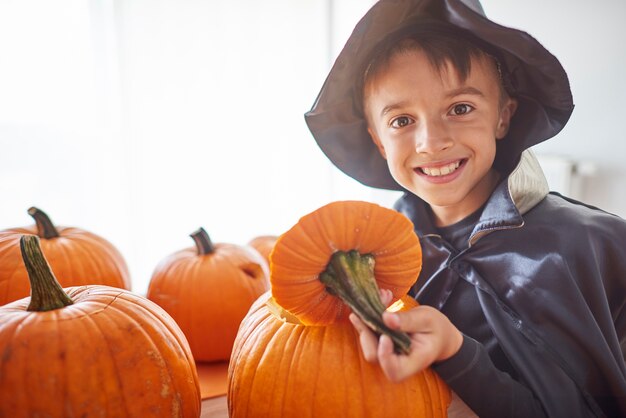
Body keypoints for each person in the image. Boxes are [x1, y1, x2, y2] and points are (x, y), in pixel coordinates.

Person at [304, 0, 626, 416]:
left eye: (460, 109)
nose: (431, 142)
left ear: (502, 117)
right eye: (402, 121)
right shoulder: (375, 260)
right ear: (379, 140)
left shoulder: (588, 246)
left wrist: (455, 351)